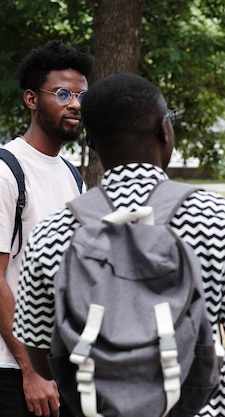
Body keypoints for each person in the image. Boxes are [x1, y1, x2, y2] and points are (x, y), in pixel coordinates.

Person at [12, 72, 225, 417]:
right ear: (163, 130)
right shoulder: (218, 217)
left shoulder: (52, 232)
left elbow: (43, 357)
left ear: (91, 144)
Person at [0, 40, 93, 417]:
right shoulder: (7, 171)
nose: (75, 104)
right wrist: (30, 370)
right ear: (31, 99)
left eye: (82, 96)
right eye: (63, 93)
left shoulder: (73, 176)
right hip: (13, 369)